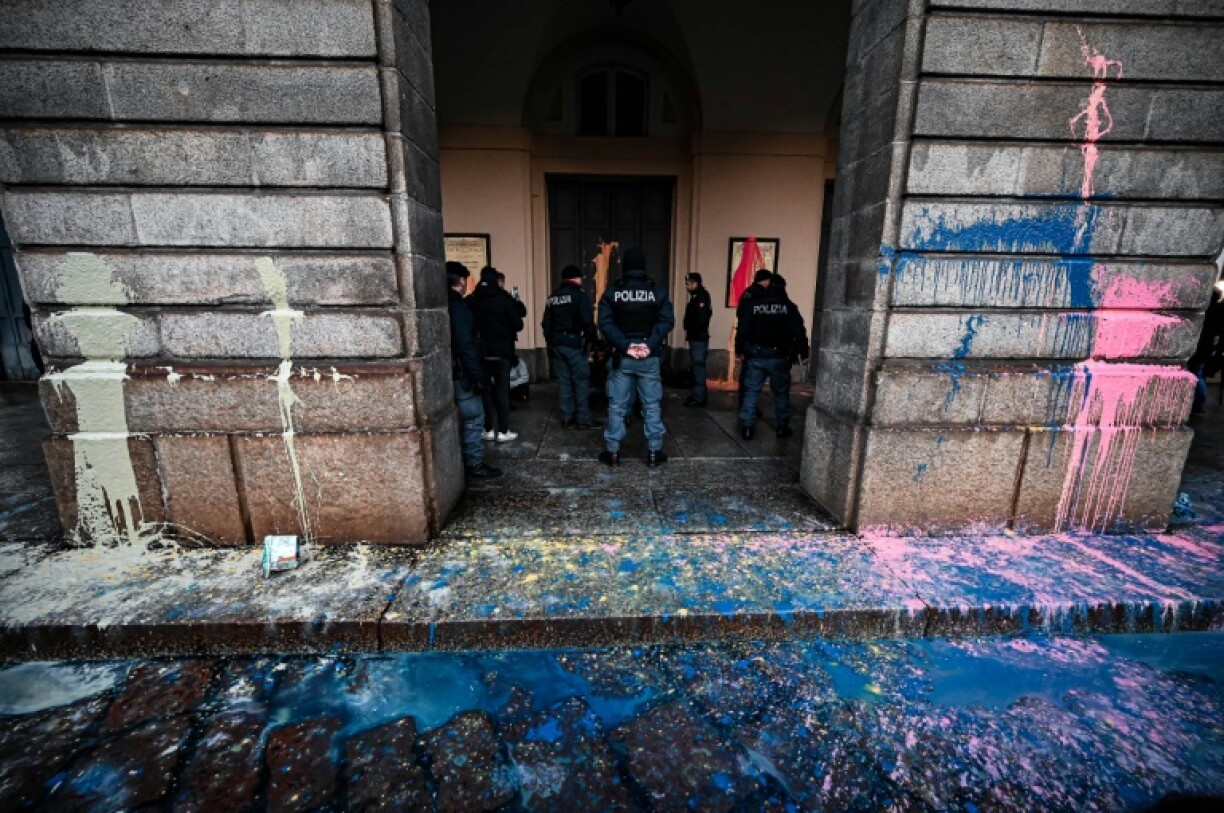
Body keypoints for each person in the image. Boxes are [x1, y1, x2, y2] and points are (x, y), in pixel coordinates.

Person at [597, 247, 675, 466]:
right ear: (643, 267)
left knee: (617, 406)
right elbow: (667, 321)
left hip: (622, 357)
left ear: (625, 267)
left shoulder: (613, 292)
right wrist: (648, 344)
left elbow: (604, 323)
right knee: (651, 405)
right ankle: (653, 453)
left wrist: (625, 345)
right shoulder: (657, 291)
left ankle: (613, 453)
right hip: (649, 358)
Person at [446, 262, 501, 479]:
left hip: (450, 370)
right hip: (462, 372)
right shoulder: (458, 306)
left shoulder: (441, 302)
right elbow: (465, 344)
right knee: (473, 417)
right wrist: (478, 376)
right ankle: (474, 464)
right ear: (461, 281)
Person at [735, 270, 806, 440]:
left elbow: (743, 328)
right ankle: (782, 427)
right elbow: (799, 331)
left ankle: (747, 428)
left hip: (756, 355)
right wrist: (803, 351)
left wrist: (740, 350)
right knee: (781, 393)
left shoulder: (755, 304)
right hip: (779, 356)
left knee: (752, 391)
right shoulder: (788, 306)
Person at [467, 266, 523, 442]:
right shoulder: (504, 299)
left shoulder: (472, 300)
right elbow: (518, 324)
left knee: (484, 392)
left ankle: (488, 429)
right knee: (501, 392)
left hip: (481, 352)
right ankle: (504, 431)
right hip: (502, 352)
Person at [542, 264, 602, 429]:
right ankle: (583, 419)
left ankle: (568, 418)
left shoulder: (552, 297)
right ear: (576, 278)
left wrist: (550, 344)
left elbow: (546, 324)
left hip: (557, 344)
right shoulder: (579, 296)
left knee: (564, 382)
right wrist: (593, 341)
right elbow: (587, 321)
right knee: (581, 381)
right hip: (574, 344)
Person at [682, 272, 712, 407]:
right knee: (697, 367)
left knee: (698, 367)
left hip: (698, 338)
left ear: (695, 283)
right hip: (696, 337)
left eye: (688, 283)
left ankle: (700, 396)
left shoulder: (701, 298)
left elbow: (701, 319)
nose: (686, 286)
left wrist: (691, 328)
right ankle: (699, 394)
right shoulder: (697, 297)